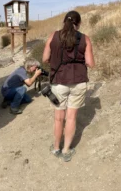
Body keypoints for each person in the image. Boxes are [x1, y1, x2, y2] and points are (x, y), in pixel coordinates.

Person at [42, 10, 95, 162]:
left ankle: (56, 148)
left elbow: (45, 58)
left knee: (59, 118)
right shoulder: (85, 39)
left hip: (58, 82)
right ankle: (66, 151)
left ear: (64, 22)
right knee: (71, 118)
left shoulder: (53, 36)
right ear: (79, 24)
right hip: (78, 82)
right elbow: (91, 64)